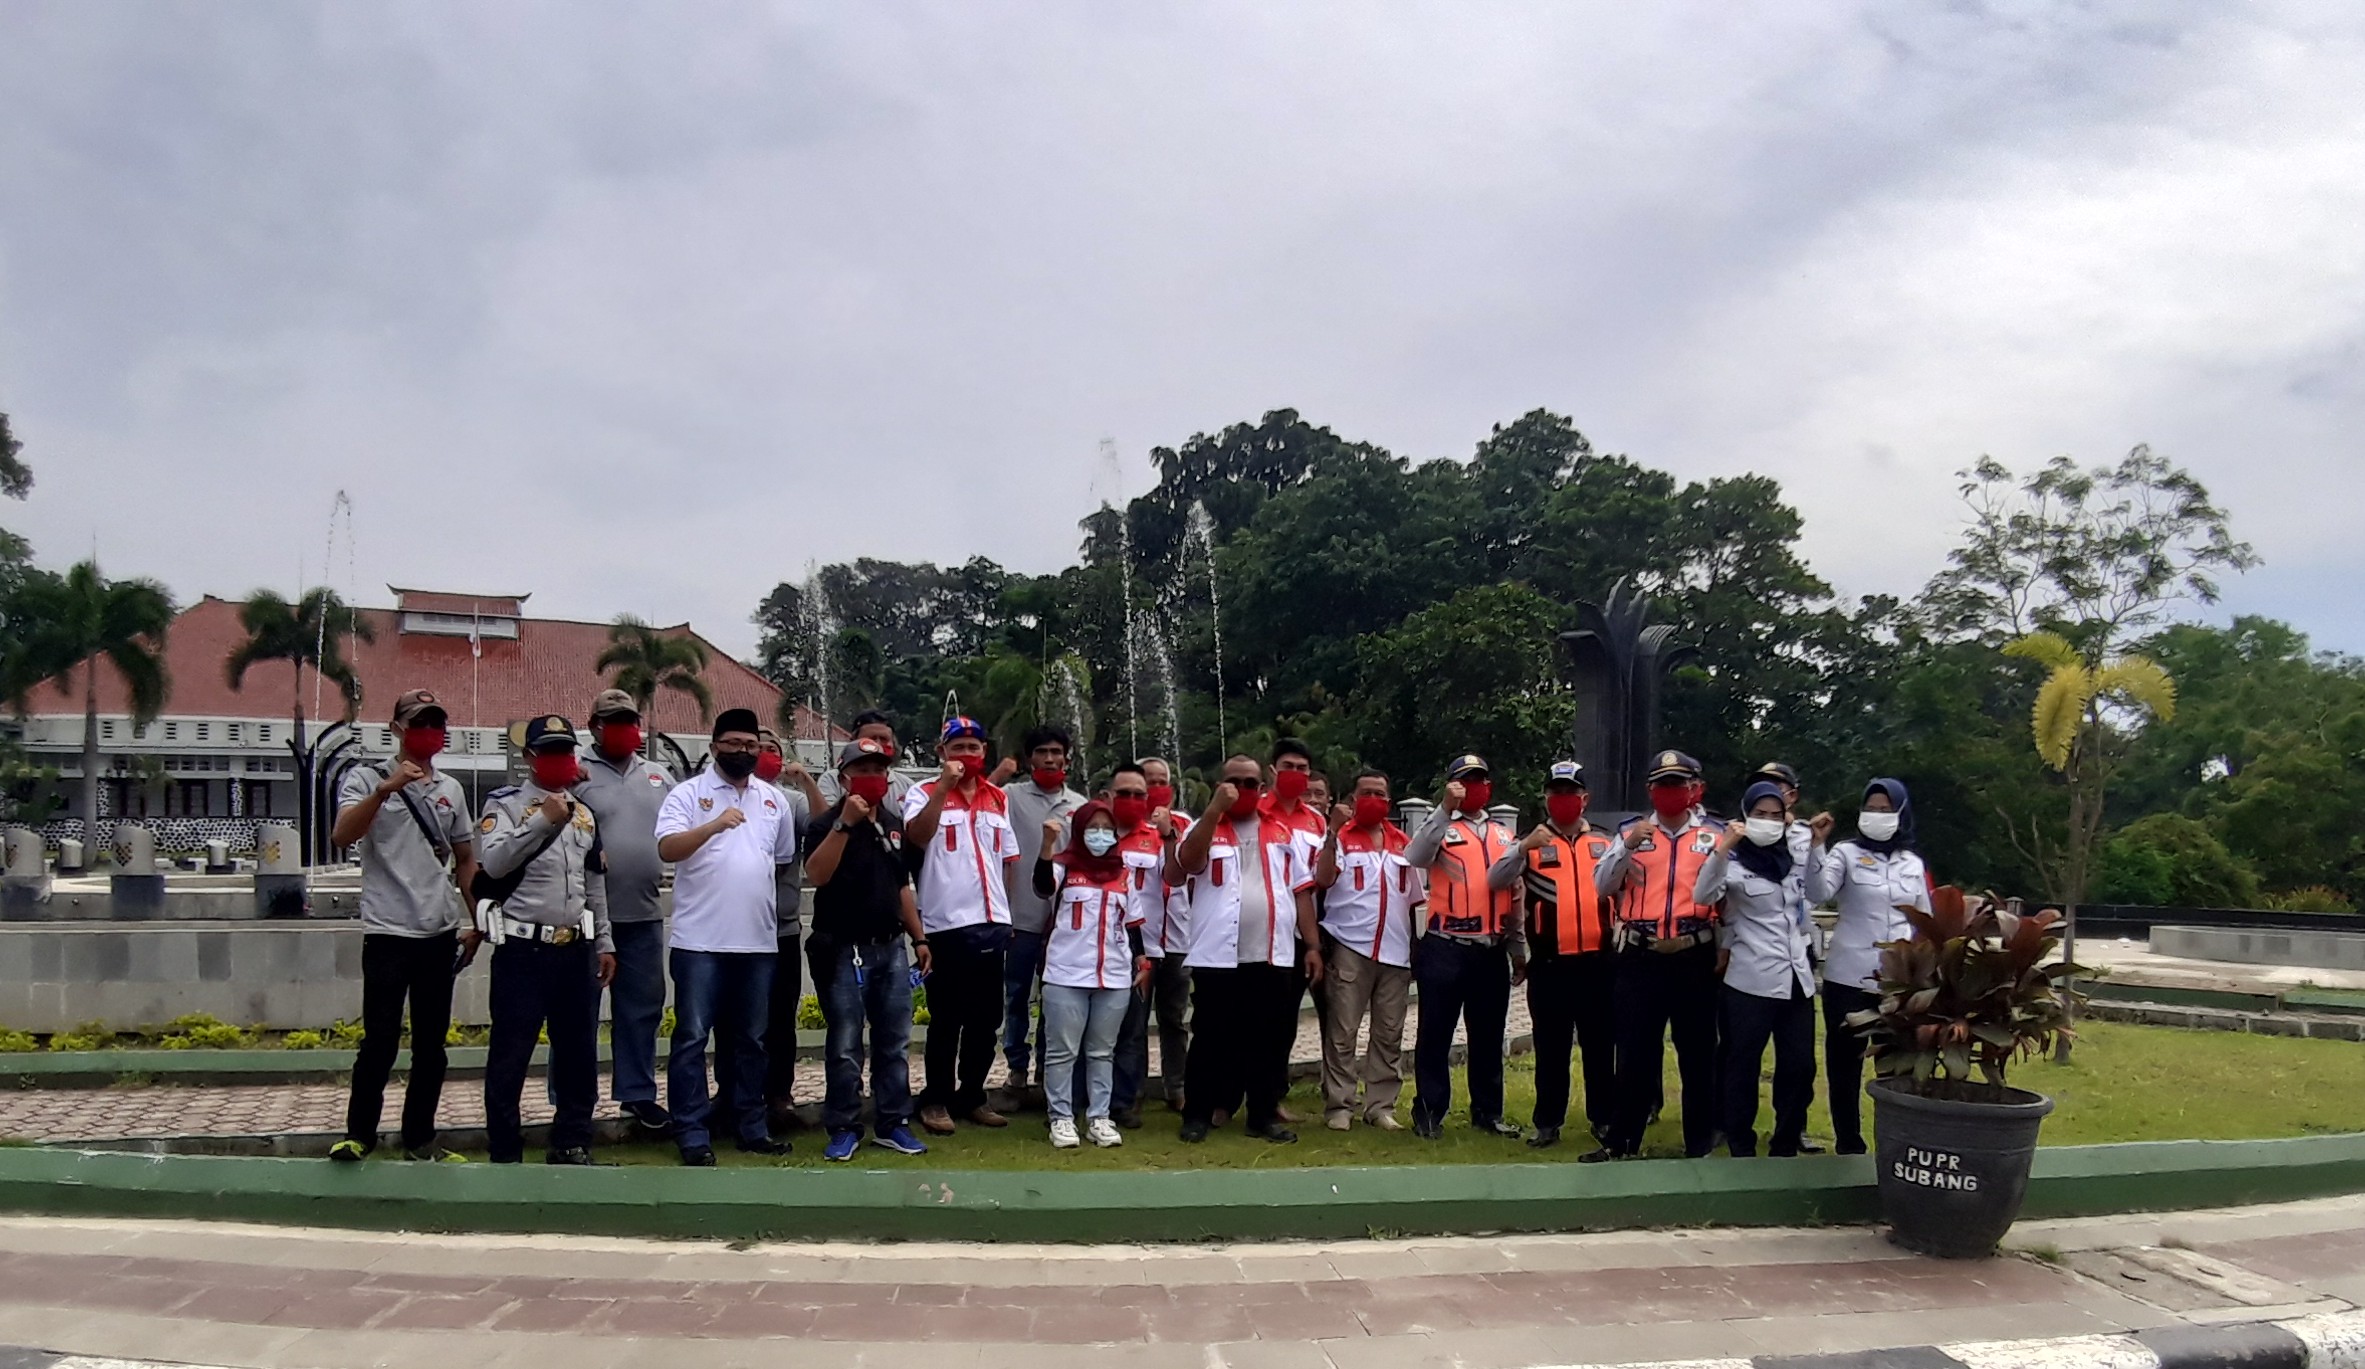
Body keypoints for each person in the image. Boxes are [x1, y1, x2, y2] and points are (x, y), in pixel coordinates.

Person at [328, 689, 480, 1163]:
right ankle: (360, 1135)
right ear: (396, 728)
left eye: (436, 723)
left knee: (431, 1046)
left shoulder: (451, 790)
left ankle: (420, 1139)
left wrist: (478, 919)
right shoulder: (366, 778)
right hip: (388, 931)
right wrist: (384, 790)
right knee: (379, 1039)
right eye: (418, 723)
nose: (429, 732)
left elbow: (464, 858)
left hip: (438, 931)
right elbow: (342, 835)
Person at [654, 708, 800, 1165]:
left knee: (752, 1041)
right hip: (700, 941)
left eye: (751, 745)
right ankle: (693, 1133)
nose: (743, 752)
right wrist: (714, 825)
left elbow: (780, 860)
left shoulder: (773, 799)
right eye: (734, 744)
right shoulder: (687, 794)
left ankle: (749, 1126)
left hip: (757, 942)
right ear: (714, 746)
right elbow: (666, 848)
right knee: (693, 1038)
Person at [475, 716, 616, 1165]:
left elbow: (593, 884)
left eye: (566, 751)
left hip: (574, 947)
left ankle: (572, 1141)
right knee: (511, 1054)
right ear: (530, 757)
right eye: (550, 752)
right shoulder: (506, 805)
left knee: (578, 1053)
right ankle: (505, 1149)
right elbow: (493, 865)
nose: (560, 760)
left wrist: (605, 941)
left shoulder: (584, 813)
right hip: (523, 948)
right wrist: (541, 823)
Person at [1170, 753, 1321, 1144]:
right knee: (1209, 1037)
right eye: (1234, 782)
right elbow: (1186, 863)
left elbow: (1302, 892)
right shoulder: (1207, 827)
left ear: (1262, 787)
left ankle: (1262, 1115)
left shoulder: (1281, 831)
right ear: (1222, 783)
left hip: (1271, 952)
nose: (1243, 789)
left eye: (1251, 783)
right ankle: (1198, 1114)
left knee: (1267, 1038)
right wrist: (1213, 811)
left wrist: (1312, 946)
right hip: (1218, 954)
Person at [1584, 750, 1724, 1163]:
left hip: (1693, 953)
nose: (1669, 793)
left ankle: (1699, 1141)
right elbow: (1602, 886)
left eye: (1677, 785)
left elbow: (1731, 898)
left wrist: (1726, 947)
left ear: (1695, 789)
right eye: (1661, 786)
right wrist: (1627, 847)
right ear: (1649, 791)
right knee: (1633, 1051)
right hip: (1641, 955)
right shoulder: (1630, 832)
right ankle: (1622, 1140)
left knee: (1698, 1052)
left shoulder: (1715, 836)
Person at [801, 737, 934, 1162]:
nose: (872, 778)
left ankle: (893, 1121)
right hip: (843, 950)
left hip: (890, 947)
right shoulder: (825, 823)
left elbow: (901, 887)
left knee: (893, 1042)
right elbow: (817, 876)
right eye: (862, 771)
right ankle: (843, 1124)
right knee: (844, 1045)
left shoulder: (894, 824)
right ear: (844, 778)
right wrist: (845, 824)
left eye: (879, 770)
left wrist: (920, 937)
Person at [1490, 760, 1615, 1149]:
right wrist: (1522, 847)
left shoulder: (1606, 842)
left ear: (1584, 798)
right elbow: (1496, 879)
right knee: (1551, 1048)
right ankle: (1547, 1123)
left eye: (1570, 793)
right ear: (1546, 798)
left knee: (1599, 1046)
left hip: (1598, 962)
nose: (1563, 800)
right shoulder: (1531, 842)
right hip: (1549, 964)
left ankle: (1604, 1119)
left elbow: (1626, 888)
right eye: (1556, 793)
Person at [905, 716, 1019, 1134]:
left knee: (986, 1019)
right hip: (946, 924)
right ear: (942, 753)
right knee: (946, 1019)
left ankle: (972, 1095)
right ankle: (935, 1099)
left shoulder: (996, 799)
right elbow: (918, 836)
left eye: (973, 747)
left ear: (983, 752)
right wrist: (943, 789)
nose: (966, 755)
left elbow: (1005, 859)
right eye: (958, 748)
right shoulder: (921, 794)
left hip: (991, 922)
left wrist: (1005, 913)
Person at [1404, 754, 1525, 1140]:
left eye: (1480, 779)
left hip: (1490, 947)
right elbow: (1415, 856)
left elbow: (1516, 893)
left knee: (1488, 1035)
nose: (1474, 786)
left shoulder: (1505, 835)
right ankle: (1428, 1112)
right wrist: (1444, 808)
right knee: (1435, 1034)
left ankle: (1488, 1113)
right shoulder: (1440, 827)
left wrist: (1517, 948)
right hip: (1446, 944)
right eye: (1465, 780)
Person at [1809, 778, 1930, 1156]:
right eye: (1871, 809)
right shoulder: (1844, 853)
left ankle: (1895, 1144)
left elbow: (1927, 918)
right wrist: (1816, 846)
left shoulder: (1912, 863)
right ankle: (1849, 1142)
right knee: (1845, 1064)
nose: (1877, 816)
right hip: (1850, 976)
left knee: (1896, 1065)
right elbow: (1817, 892)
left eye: (1885, 810)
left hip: (1898, 982)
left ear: (1901, 813)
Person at [572, 689, 674, 1135]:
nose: (624, 729)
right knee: (578, 1013)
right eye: (613, 721)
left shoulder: (658, 774)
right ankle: (572, 1100)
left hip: (643, 913)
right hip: (586, 917)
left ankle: (638, 1095)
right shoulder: (576, 771)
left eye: (630, 720)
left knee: (642, 1009)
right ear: (594, 725)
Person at [1700, 780, 1818, 1157]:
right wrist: (1722, 850)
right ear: (1745, 817)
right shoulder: (1732, 863)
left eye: (1775, 815)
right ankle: (1741, 1144)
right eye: (1760, 815)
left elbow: (1817, 892)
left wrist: (1817, 844)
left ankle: (1785, 1143)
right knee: (1742, 1067)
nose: (1768, 822)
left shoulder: (1793, 857)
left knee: (1800, 1067)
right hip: (1750, 979)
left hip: (1796, 977)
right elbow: (1702, 895)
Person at [1032, 800, 1151, 1148]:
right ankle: (1061, 1118)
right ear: (1080, 831)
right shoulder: (1063, 867)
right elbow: (1041, 887)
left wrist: (1141, 961)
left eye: (1106, 829)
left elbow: (1132, 923)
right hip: (1066, 974)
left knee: (1102, 1052)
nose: (1100, 835)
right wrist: (1046, 845)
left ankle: (1099, 1117)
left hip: (1112, 977)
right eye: (1092, 828)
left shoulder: (1122, 873)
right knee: (1062, 1052)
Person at [1312, 770, 1418, 1131]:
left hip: (1395, 951)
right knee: (1342, 1032)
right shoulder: (1341, 838)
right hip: (1349, 946)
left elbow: (1417, 900)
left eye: (1380, 793)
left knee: (1389, 1033)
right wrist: (1330, 832)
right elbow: (1323, 879)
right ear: (1353, 799)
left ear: (1389, 801)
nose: (1374, 799)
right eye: (1366, 792)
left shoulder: (1405, 844)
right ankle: (1340, 1105)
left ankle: (1380, 1106)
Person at [1002, 725, 1084, 1107]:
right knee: (1016, 997)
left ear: (1067, 757)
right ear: (1030, 758)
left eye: (1056, 752)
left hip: (1063, 927)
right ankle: (1016, 1069)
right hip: (1019, 919)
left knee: (1055, 1001)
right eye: (1042, 752)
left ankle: (1047, 1072)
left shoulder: (1079, 807)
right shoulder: (1010, 797)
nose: (1050, 759)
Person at [1105, 762, 1181, 1127]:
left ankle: (1126, 1100)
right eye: (1125, 794)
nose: (1133, 800)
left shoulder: (1156, 837)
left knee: (1134, 1028)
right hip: (1099, 945)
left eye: (1140, 795)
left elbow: (1174, 878)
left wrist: (1168, 838)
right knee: (1100, 1027)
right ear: (1109, 796)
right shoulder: (1095, 832)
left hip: (1145, 947)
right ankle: (1085, 1099)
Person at [1119, 756, 1192, 1115]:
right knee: (1133, 1022)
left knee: (1174, 1020)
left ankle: (1176, 1087)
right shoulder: (1121, 831)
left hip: (1178, 938)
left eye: (1163, 780)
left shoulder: (1185, 826)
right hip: (1140, 942)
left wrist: (1168, 835)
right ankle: (1131, 1092)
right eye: (1151, 780)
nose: (1158, 786)